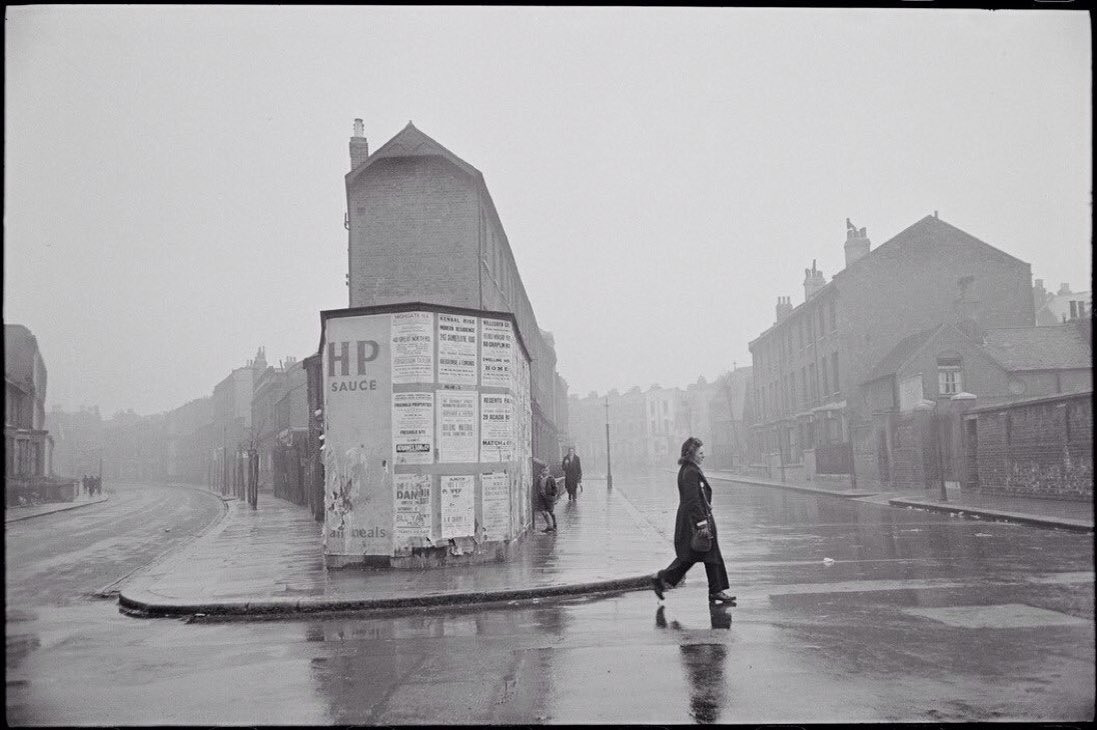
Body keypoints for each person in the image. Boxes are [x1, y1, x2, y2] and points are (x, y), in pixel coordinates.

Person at [651, 437, 735, 605]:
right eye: (700, 453)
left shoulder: (689, 469)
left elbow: (697, 497)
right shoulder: (690, 472)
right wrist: (701, 523)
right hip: (695, 521)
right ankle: (663, 578)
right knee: (694, 555)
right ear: (691, 454)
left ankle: (715, 590)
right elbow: (692, 500)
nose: (703, 456)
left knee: (704, 555)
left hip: (695, 518)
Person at [535, 461, 558, 533]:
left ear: (548, 471)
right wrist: (538, 493)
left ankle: (554, 525)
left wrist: (552, 494)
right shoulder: (539, 478)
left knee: (551, 512)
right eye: (543, 470)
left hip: (549, 498)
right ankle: (549, 526)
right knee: (543, 511)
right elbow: (537, 487)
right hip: (541, 497)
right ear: (541, 471)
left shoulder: (551, 478)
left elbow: (555, 488)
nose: (545, 472)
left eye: (546, 470)